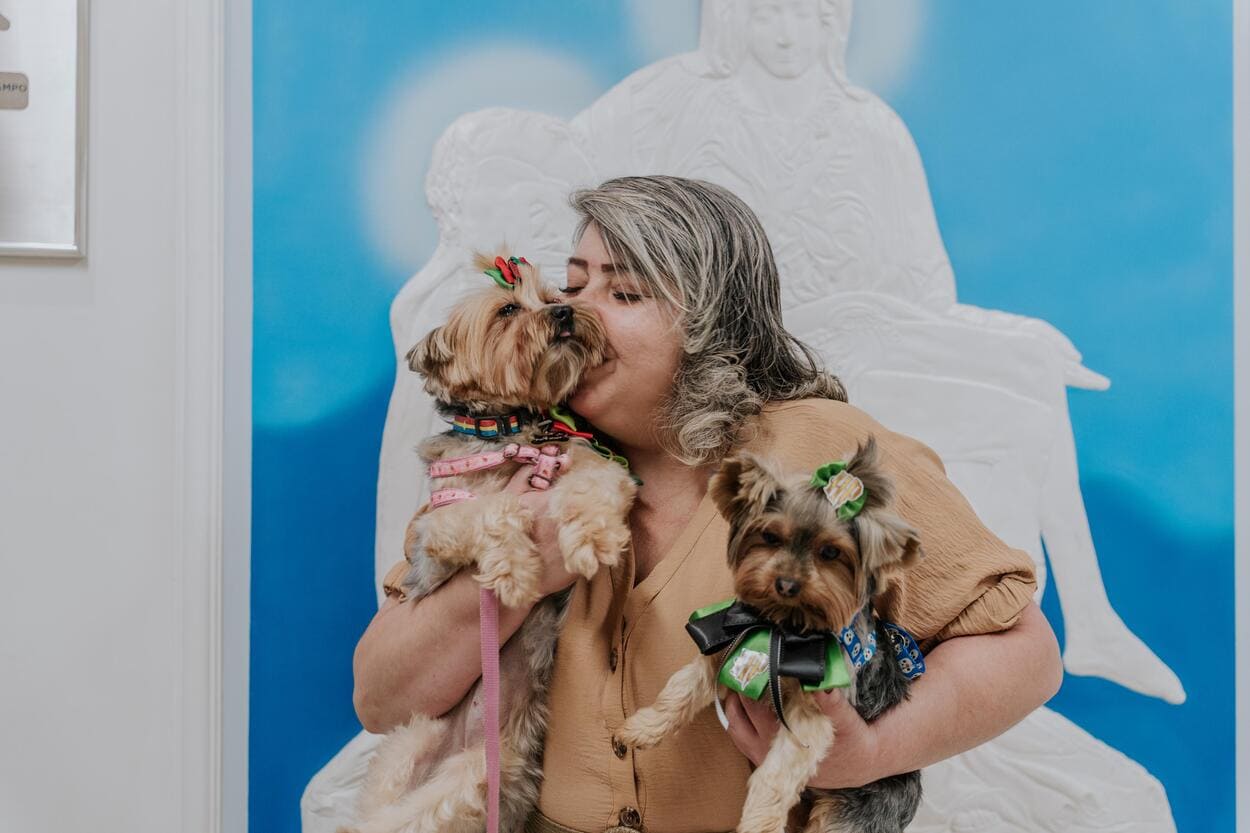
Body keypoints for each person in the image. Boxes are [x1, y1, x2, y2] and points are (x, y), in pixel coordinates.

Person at [351, 176, 1061, 833]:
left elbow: (1024, 652)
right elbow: (380, 701)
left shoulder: (824, 447)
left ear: (714, 322)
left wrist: (871, 752)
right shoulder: (515, 465)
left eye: (625, 293)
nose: (571, 310)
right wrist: (515, 573)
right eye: (571, 285)